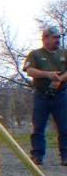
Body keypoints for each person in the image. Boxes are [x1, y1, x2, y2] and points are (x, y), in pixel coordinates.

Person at [23, 26, 67, 166]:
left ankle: (65, 156)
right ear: (46, 38)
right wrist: (48, 75)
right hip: (42, 95)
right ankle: (37, 155)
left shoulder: (64, 53)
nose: (57, 40)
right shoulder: (35, 54)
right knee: (38, 126)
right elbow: (30, 71)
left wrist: (59, 79)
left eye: (58, 37)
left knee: (64, 126)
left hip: (61, 95)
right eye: (54, 37)